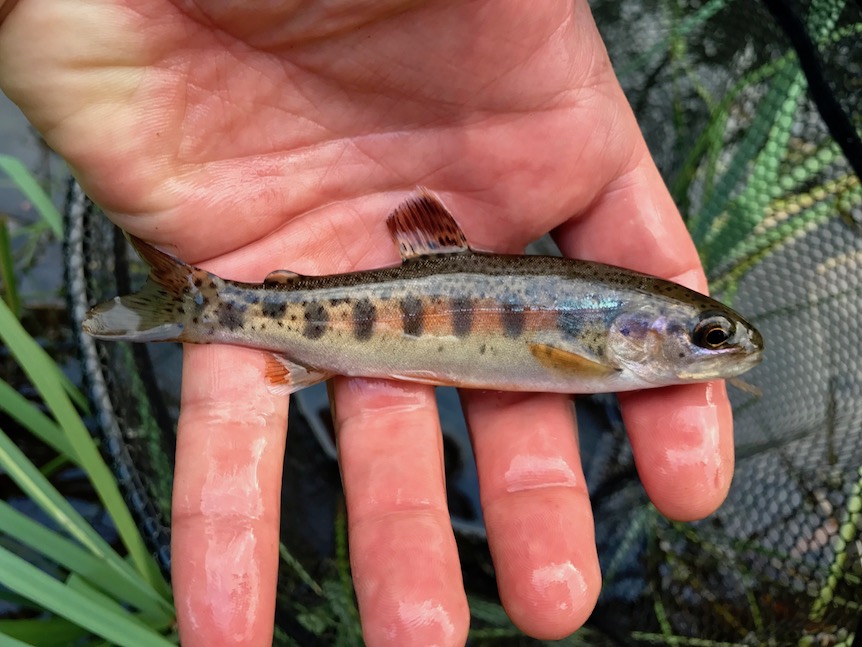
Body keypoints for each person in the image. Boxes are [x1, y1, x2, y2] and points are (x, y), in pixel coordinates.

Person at [0, 2, 735, 645]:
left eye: (711, 338)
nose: (717, 348)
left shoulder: (608, 342)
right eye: (707, 337)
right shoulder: (599, 350)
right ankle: (211, 309)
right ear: (642, 327)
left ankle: (213, 309)